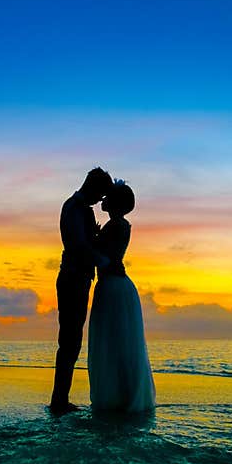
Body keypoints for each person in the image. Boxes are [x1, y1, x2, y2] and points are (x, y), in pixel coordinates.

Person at [49, 167, 114, 415]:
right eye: (100, 195)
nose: (100, 201)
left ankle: (60, 399)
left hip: (79, 278)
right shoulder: (74, 207)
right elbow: (77, 246)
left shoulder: (82, 209)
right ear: (92, 187)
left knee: (72, 340)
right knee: (69, 341)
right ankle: (59, 401)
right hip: (72, 278)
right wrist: (105, 261)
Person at [87, 179, 156, 412]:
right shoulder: (119, 225)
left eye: (108, 197)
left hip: (112, 285)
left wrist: (91, 240)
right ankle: (122, 392)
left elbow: (102, 253)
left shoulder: (116, 226)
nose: (103, 200)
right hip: (115, 284)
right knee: (118, 340)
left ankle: (117, 394)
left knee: (111, 339)